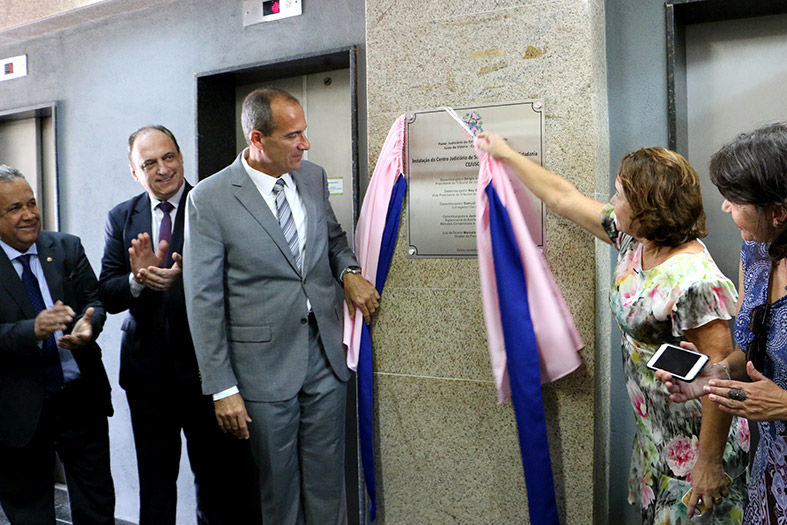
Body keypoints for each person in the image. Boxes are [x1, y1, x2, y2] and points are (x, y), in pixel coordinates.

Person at [476, 133, 748, 523]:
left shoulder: (695, 281)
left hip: (696, 443)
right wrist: (504, 154)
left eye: (619, 194)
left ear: (646, 207)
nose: (612, 199)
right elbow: (562, 198)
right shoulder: (633, 241)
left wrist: (708, 463)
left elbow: (720, 378)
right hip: (655, 433)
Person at [183, 87, 379, 524]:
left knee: (329, 481)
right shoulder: (210, 199)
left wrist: (348, 273)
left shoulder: (310, 177)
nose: (305, 144)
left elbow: (332, 240)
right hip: (261, 367)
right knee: (280, 487)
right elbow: (203, 297)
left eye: (304, 132)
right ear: (257, 139)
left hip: (325, 354)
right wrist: (222, 387)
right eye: (293, 136)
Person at [98, 126, 259, 524]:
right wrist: (138, 280)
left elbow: (243, 282)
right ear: (135, 172)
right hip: (146, 376)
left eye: (168, 157)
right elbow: (107, 291)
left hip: (208, 374)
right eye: (149, 163)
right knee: (155, 484)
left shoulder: (214, 204)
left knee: (218, 481)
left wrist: (187, 280)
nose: (163, 169)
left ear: (182, 157)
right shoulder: (122, 216)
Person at [658, 122, 787, 523]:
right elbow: (750, 351)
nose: (725, 208)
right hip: (772, 466)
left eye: (734, 198)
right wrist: (715, 374)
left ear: (778, 211)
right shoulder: (757, 254)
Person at [0, 165, 115, 524]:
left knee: (96, 507)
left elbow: (94, 301)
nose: (29, 214)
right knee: (31, 513)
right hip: (17, 410)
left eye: (31, 203)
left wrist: (88, 326)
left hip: (80, 399)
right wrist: (31, 330)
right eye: (15, 208)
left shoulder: (65, 247)